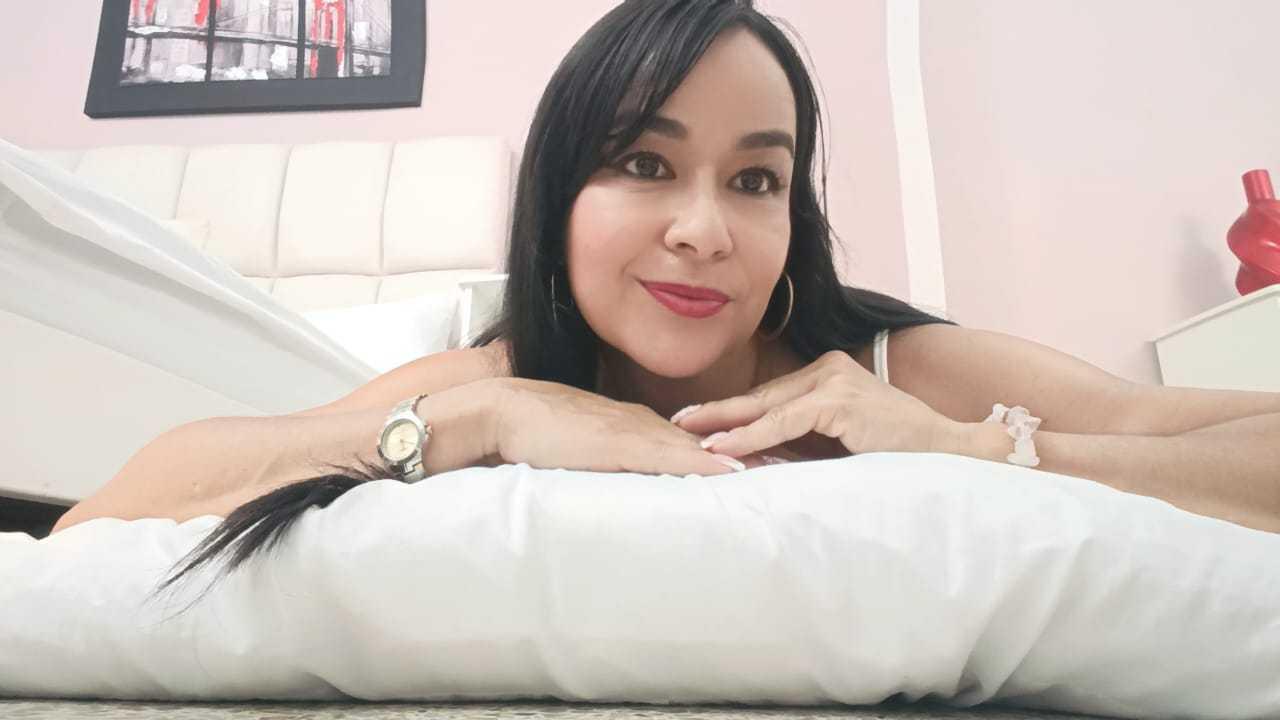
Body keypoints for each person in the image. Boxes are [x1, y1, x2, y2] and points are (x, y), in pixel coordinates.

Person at [51, 0, 1280, 593]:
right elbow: (96, 524)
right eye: (643, 164)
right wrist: (476, 420)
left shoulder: (894, 368)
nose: (702, 229)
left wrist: (968, 448)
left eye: (754, 179)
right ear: (558, 198)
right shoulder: (491, 378)